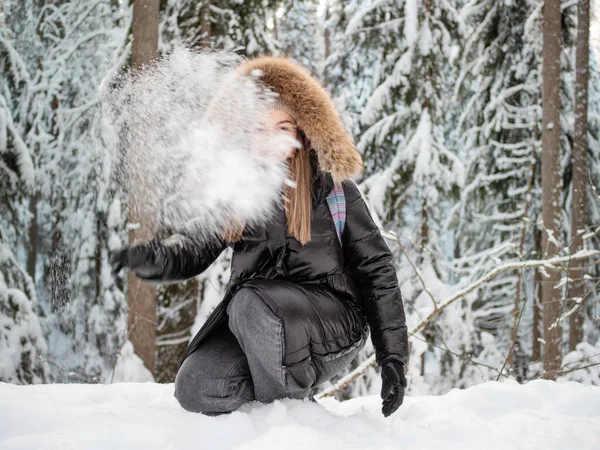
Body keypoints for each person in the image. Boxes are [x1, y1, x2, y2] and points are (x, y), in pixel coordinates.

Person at [111, 56, 409, 417]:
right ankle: (281, 401)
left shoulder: (332, 190)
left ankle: (289, 424)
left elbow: (377, 270)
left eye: (282, 128)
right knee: (198, 386)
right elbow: (194, 246)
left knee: (252, 303)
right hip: (256, 320)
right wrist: (157, 258)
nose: (270, 141)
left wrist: (392, 357)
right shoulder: (238, 193)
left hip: (332, 325)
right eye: (258, 130)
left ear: (300, 132)